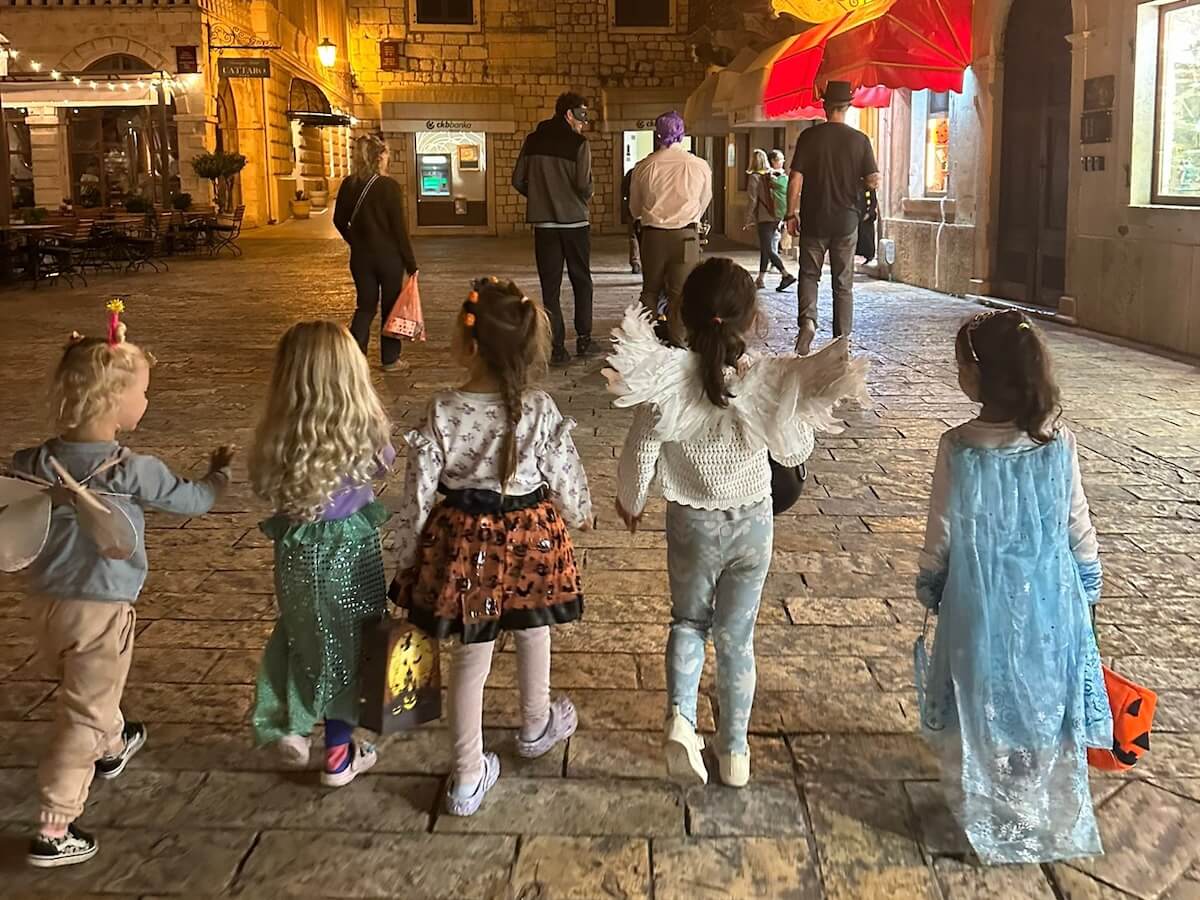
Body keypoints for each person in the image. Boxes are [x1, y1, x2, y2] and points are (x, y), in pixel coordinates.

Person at [607, 257, 868, 788]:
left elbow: (641, 449)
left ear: (683, 314)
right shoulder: (765, 379)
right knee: (736, 638)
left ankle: (681, 721)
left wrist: (630, 502)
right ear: (752, 319)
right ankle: (735, 753)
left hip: (691, 524)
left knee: (688, 623)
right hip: (752, 524)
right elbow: (793, 449)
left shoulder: (666, 381)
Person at [9, 304, 231, 868]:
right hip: (103, 609)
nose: (147, 401)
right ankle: (56, 825)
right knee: (82, 713)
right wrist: (218, 476)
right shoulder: (134, 469)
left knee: (87, 691)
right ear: (113, 403)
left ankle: (114, 744)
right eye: (143, 392)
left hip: (45, 605)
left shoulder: (35, 460)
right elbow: (193, 501)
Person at [391, 277, 593, 816]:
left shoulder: (443, 409)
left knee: (471, 655)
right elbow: (563, 472)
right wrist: (580, 510)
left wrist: (408, 557)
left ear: (468, 342)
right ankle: (535, 723)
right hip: (532, 540)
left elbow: (417, 494)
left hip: (466, 546)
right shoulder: (539, 407)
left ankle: (466, 774)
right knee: (533, 627)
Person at [915, 310, 1111, 864]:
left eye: (961, 365)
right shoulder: (1059, 442)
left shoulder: (958, 446)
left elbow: (941, 532)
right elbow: (1079, 527)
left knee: (984, 697)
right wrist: (1089, 585)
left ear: (982, 377)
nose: (958, 373)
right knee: (1040, 698)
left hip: (979, 605)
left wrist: (931, 584)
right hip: (1051, 604)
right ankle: (1029, 796)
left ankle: (995, 797)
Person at [249, 321, 394, 788]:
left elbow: (261, 482)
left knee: (300, 637)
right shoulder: (363, 432)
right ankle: (337, 755)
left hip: (296, 559)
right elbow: (385, 462)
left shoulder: (277, 436)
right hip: (352, 561)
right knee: (349, 651)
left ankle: (291, 725)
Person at [785, 81, 881, 354]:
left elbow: (795, 178)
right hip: (846, 221)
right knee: (843, 283)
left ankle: (808, 322)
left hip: (814, 219)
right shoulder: (860, 140)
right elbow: (873, 179)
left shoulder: (809, 137)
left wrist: (790, 213)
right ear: (847, 107)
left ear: (825, 107)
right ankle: (841, 340)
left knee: (809, 275)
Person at [512, 93, 595, 366]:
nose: (583, 122)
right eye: (581, 115)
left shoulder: (533, 141)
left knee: (550, 288)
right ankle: (584, 339)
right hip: (575, 223)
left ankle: (557, 347)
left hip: (544, 225)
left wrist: (538, 197)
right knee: (581, 280)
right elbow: (583, 185)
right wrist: (587, 195)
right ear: (568, 114)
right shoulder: (579, 144)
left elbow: (518, 180)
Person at [333, 135, 419, 373]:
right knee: (391, 308)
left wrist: (355, 241)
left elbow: (338, 220)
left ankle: (354, 359)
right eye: (386, 154)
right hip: (389, 258)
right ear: (379, 156)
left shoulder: (349, 184)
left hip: (361, 258)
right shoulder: (389, 186)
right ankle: (390, 359)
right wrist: (411, 263)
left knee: (365, 306)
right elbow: (398, 229)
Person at [629, 111, 712, 324]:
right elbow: (704, 199)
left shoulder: (644, 166)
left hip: (653, 236)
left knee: (650, 291)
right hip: (686, 235)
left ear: (657, 134)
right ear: (682, 135)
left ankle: (643, 336)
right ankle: (679, 339)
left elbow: (635, 208)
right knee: (681, 295)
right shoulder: (699, 165)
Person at [744, 149, 796, 292]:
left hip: (764, 217)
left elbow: (752, 200)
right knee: (766, 248)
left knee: (767, 249)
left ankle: (785, 274)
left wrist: (748, 219)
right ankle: (760, 279)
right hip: (776, 216)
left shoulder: (755, 177)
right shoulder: (773, 175)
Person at [621, 167, 642, 275]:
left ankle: (635, 263)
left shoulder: (631, 173)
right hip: (647, 210)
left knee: (633, 237)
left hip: (632, 209)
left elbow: (623, 191)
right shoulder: (649, 172)